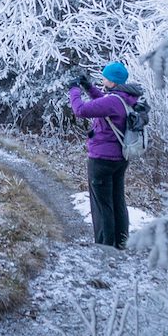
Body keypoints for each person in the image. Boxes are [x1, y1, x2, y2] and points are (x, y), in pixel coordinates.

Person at [67, 61, 145, 249]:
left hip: (102, 160)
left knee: (102, 205)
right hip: (120, 159)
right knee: (117, 201)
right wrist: (89, 87)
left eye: (105, 77)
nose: (103, 79)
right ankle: (120, 242)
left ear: (111, 80)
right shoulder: (126, 99)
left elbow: (80, 110)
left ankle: (104, 246)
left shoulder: (113, 101)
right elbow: (105, 102)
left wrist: (74, 90)